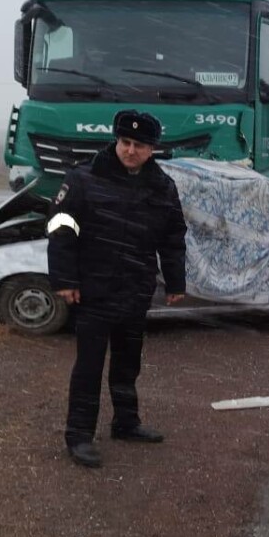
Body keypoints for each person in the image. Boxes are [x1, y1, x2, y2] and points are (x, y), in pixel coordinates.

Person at [47, 109, 187, 469]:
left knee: (127, 364)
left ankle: (126, 423)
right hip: (94, 291)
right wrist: (64, 280)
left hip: (136, 290)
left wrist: (175, 281)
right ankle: (79, 436)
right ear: (116, 141)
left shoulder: (162, 187)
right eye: (125, 142)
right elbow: (61, 227)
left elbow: (173, 238)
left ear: (152, 148)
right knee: (89, 367)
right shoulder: (84, 178)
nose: (130, 150)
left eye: (139, 145)